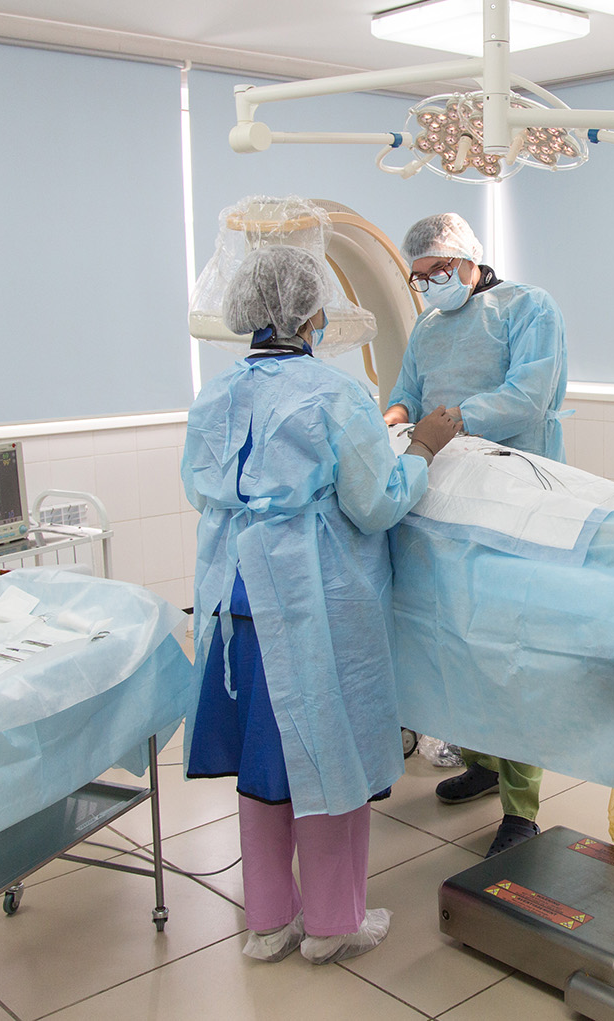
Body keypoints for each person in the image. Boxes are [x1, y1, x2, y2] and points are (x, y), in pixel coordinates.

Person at [183, 244, 461, 965]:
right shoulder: (334, 394)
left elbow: (199, 490)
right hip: (312, 599)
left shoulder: (215, 396)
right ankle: (334, 922)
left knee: (264, 763)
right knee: (327, 756)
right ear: (313, 314)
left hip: (236, 599)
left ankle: (269, 920)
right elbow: (376, 503)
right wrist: (423, 447)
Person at [381, 212, 568, 857]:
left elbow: (530, 396)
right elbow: (408, 392)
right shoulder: (428, 327)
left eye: (438, 271)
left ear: (467, 259)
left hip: (516, 494)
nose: (430, 284)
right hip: (449, 495)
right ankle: (485, 763)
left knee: (511, 649)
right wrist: (393, 417)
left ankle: (522, 807)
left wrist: (455, 420)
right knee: (459, 641)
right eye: (419, 277)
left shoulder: (528, 307)